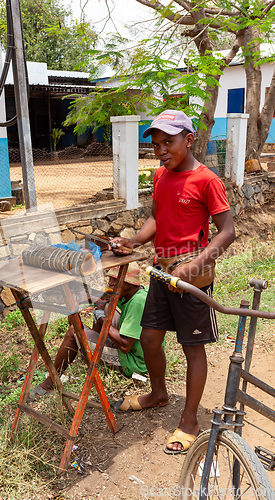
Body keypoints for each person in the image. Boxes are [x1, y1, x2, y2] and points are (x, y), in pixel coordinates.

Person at [110, 109, 235, 455]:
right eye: (156, 144)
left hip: (192, 277)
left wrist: (195, 263)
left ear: (189, 139)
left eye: (169, 141)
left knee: (192, 349)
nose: (161, 149)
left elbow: (227, 232)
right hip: (162, 272)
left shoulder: (206, 180)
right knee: (150, 338)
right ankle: (158, 393)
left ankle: (191, 421)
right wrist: (134, 241)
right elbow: (156, 216)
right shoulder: (161, 177)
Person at [29, 262, 149, 400]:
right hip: (134, 349)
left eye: (114, 280)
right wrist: (91, 297)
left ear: (129, 283)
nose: (109, 283)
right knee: (103, 303)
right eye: (109, 279)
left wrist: (102, 318)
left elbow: (125, 345)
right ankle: (88, 349)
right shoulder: (134, 293)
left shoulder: (138, 302)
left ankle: (50, 383)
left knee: (74, 331)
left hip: (134, 363)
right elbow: (104, 299)